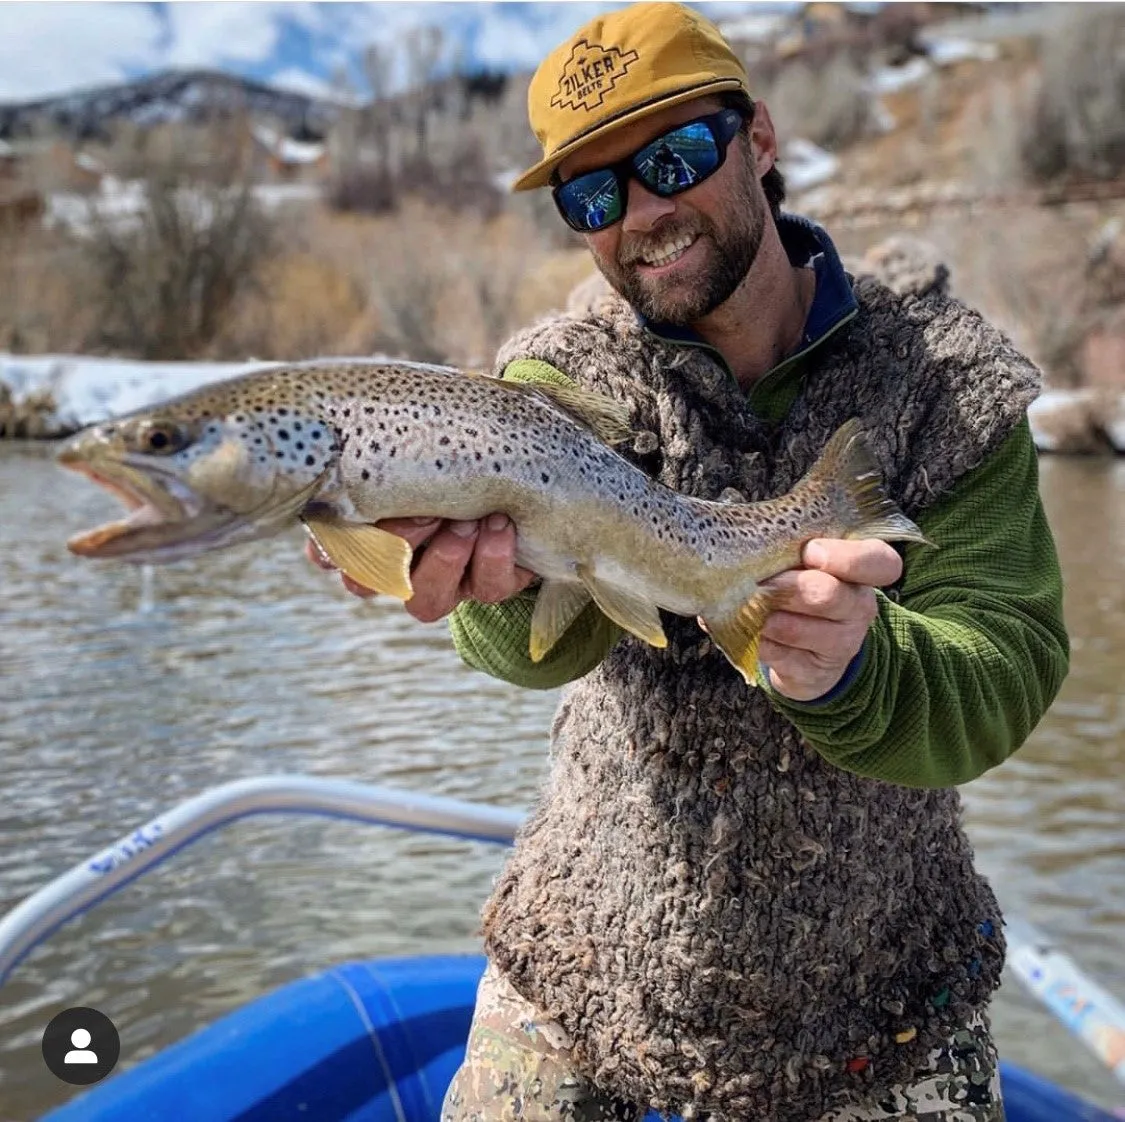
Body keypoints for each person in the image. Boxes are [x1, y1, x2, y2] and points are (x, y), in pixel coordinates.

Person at [308, 4, 1070, 1119]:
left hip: (888, 1004)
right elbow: (525, 651)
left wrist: (864, 671)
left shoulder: (948, 383)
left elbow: (1006, 667)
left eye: (673, 157)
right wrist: (489, 584)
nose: (644, 214)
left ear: (759, 139)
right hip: (580, 973)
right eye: (593, 194)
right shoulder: (555, 382)